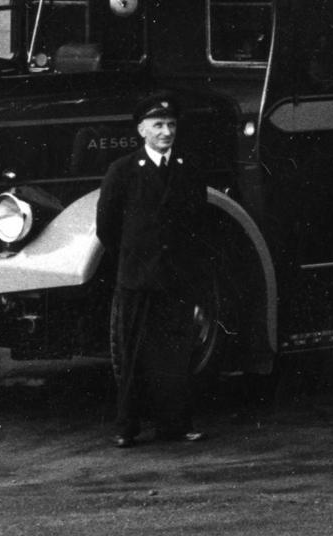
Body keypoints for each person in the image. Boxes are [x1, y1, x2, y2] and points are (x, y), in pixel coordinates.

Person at [96, 92, 210, 448]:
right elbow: (107, 227)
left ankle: (174, 425)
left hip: (176, 277)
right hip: (138, 277)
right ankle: (127, 428)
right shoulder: (124, 171)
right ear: (142, 130)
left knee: (176, 354)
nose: (166, 132)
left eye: (171, 125)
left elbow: (198, 223)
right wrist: (133, 261)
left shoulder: (188, 170)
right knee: (133, 354)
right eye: (158, 125)